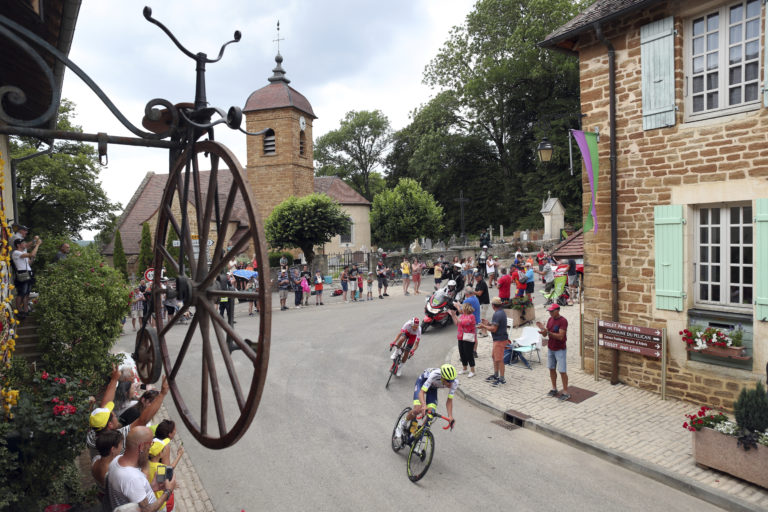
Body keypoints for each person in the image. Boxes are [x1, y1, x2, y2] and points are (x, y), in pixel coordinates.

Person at [87, 370, 170, 461]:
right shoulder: (117, 440)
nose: (115, 414)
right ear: (110, 425)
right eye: (113, 415)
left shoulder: (93, 433)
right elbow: (142, 420)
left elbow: (105, 403)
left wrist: (114, 379)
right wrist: (162, 394)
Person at [107, 426, 176, 512]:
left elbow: (134, 493)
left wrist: (152, 487)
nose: (150, 448)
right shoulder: (133, 478)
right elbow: (147, 510)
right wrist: (168, 491)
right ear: (142, 447)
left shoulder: (116, 460)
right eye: (150, 444)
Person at [395, 364, 457, 439]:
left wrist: (450, 416)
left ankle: (417, 438)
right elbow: (422, 392)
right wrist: (424, 405)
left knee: (431, 414)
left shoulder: (454, 383)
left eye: (452, 381)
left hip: (433, 388)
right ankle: (402, 423)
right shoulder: (434, 375)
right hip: (422, 383)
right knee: (418, 408)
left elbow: (449, 401)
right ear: (442, 378)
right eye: (448, 381)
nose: (451, 384)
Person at [538, 303, 570, 400]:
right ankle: (554, 388)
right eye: (549, 311)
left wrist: (548, 332)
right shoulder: (550, 320)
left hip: (560, 349)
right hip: (551, 348)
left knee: (562, 371)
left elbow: (560, 336)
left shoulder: (563, 321)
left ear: (557, 311)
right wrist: (543, 331)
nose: (550, 313)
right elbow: (545, 335)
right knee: (551, 368)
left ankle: (565, 392)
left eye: (552, 311)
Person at [480, 297, 510, 386]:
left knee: (499, 359)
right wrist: (488, 323)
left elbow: (493, 329)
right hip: (499, 338)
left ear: (493, 305)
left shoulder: (497, 314)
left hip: (499, 340)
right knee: (495, 357)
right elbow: (495, 326)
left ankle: (502, 379)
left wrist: (484, 326)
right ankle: (496, 375)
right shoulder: (500, 312)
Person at [91, 429, 123, 511]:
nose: (122, 446)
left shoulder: (95, 460)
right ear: (113, 449)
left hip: (103, 497)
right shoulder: (111, 473)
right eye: (121, 444)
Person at [12, 237, 41, 316]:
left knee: (27, 293)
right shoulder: (16, 252)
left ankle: (25, 309)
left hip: (28, 272)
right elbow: (31, 254)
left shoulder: (22, 252)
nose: (25, 244)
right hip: (22, 272)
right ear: (18, 245)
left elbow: (29, 262)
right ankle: (18, 309)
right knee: (22, 292)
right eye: (23, 243)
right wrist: (37, 245)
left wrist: (32, 257)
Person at [455, 302, 477, 378]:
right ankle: (464, 368)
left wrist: (455, 315)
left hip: (468, 337)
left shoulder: (471, 316)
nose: (462, 310)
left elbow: (464, 322)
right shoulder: (462, 315)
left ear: (466, 309)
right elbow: (457, 323)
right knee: (462, 353)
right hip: (460, 337)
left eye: (463, 308)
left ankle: (472, 370)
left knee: (469, 354)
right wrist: (452, 315)